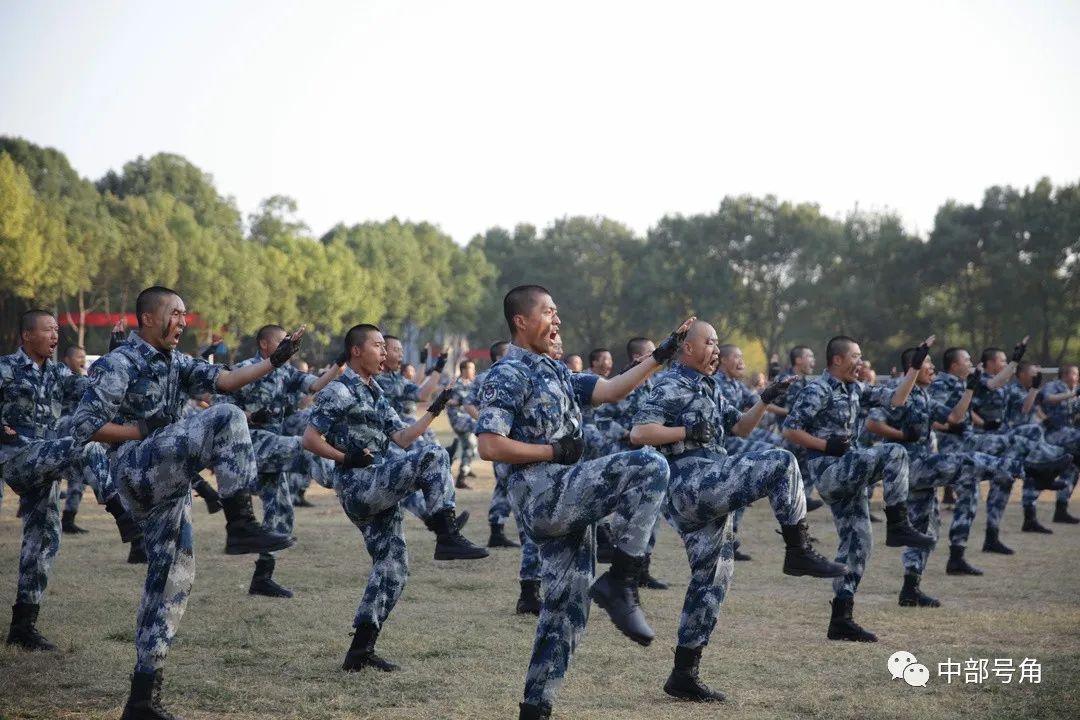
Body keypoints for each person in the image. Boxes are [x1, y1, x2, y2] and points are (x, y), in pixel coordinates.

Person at [71, 286, 300, 720]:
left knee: (172, 580)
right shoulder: (120, 363)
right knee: (229, 416)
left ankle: (142, 699)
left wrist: (274, 361)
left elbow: (226, 380)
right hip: (137, 469)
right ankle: (240, 523)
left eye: (184, 314)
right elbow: (86, 426)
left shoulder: (178, 362)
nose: (183, 321)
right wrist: (142, 430)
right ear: (150, 318)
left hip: (169, 480)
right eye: (175, 314)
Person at [476, 284, 689, 720]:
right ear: (521, 320)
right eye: (548, 312)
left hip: (566, 497)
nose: (557, 321)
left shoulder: (556, 373)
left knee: (566, 613)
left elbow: (612, 390)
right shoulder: (507, 373)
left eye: (558, 313)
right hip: (543, 494)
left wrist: (662, 354)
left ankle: (535, 710)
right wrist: (551, 452)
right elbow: (489, 446)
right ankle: (623, 578)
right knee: (649, 466)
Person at [630, 320, 845, 702]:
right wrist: (686, 431)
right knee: (780, 462)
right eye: (710, 343)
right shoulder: (668, 383)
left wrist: (764, 399)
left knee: (713, 579)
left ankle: (684, 673)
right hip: (690, 484)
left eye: (717, 343)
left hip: (711, 483)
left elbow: (741, 429)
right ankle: (797, 551)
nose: (716, 349)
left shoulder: (709, 386)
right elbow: (641, 433)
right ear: (689, 349)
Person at [303, 324, 488, 673]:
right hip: (359, 485)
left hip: (377, 485)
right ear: (356, 351)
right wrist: (346, 458)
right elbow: (310, 439)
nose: (384, 353)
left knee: (393, 569)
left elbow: (402, 438)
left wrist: (435, 409)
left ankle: (360, 650)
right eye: (377, 346)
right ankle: (447, 536)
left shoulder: (374, 391)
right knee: (433, 456)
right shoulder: (340, 389)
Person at [782, 335, 937, 642]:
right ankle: (898, 522)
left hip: (848, 476)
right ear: (837, 359)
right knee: (895, 452)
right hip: (829, 471)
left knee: (859, 543)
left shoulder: (856, 389)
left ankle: (841, 618)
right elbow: (790, 428)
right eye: (855, 356)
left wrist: (914, 367)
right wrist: (825, 445)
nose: (861, 363)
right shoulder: (819, 388)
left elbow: (896, 399)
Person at [2, 310, 140, 652]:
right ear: (26, 336)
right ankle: (123, 515)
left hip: (44, 460)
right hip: (17, 458)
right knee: (85, 446)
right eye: (48, 330)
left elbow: (95, 388)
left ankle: (23, 626)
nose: (54, 336)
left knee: (44, 539)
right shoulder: (5, 368)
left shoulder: (59, 372)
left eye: (56, 330)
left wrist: (115, 354)